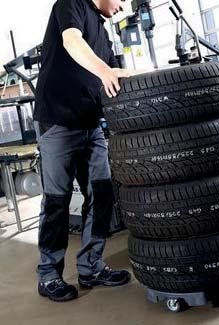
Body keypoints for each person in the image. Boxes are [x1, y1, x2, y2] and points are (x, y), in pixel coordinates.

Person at [34, 0, 133, 302]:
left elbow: (117, 73)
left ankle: (91, 267)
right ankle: (49, 276)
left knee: (102, 194)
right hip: (58, 121)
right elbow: (72, 40)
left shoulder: (104, 32)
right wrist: (104, 72)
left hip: (91, 125)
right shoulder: (70, 4)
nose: (123, 6)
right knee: (57, 201)